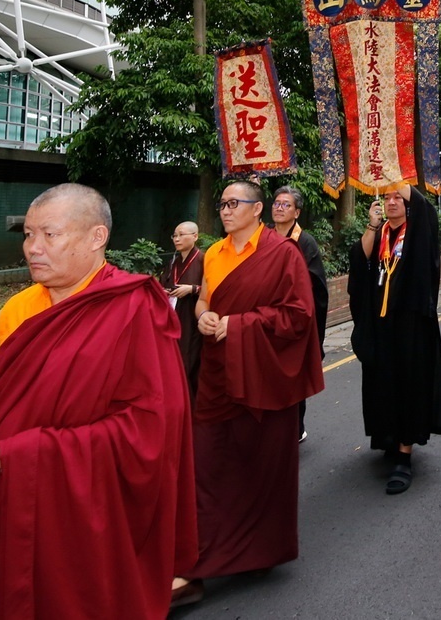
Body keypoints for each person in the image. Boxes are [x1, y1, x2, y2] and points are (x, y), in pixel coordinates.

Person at [0, 184, 196, 620]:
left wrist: (40, 455)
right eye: (28, 234)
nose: (33, 248)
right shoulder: (18, 311)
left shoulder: (133, 308)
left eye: (49, 235)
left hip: (94, 517)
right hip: (10, 509)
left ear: (96, 237)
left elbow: (154, 429)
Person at [175, 180, 325, 605]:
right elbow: (205, 299)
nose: (224, 210)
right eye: (221, 203)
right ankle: (197, 561)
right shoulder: (214, 254)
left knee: (260, 464)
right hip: (217, 376)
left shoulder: (282, 254)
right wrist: (205, 317)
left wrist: (236, 326)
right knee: (206, 463)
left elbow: (298, 316)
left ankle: (259, 548)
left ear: (256, 210)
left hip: (263, 375)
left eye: (233, 203)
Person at [348, 185, 441, 495]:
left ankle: (404, 455)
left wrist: (397, 169)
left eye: (399, 197)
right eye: (387, 197)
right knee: (381, 382)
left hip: (409, 323)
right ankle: (386, 436)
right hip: (380, 325)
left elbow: (425, 209)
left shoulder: (418, 232)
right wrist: (371, 224)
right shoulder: (380, 232)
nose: (392, 202)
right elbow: (360, 260)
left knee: (408, 385)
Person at [270, 185, 330, 442]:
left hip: (295, 319)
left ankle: (295, 428)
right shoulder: (264, 237)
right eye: (276, 203)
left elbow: (314, 284)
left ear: (297, 212)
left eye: (286, 205)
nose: (279, 208)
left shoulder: (305, 242)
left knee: (294, 376)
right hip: (268, 319)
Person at [160, 220, 204, 400]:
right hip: (175, 316)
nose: (177, 239)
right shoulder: (173, 262)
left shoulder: (204, 259)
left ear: (195, 236)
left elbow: (215, 288)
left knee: (191, 362)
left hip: (193, 320)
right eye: (174, 236)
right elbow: (164, 283)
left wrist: (192, 289)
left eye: (181, 235)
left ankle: (190, 407)